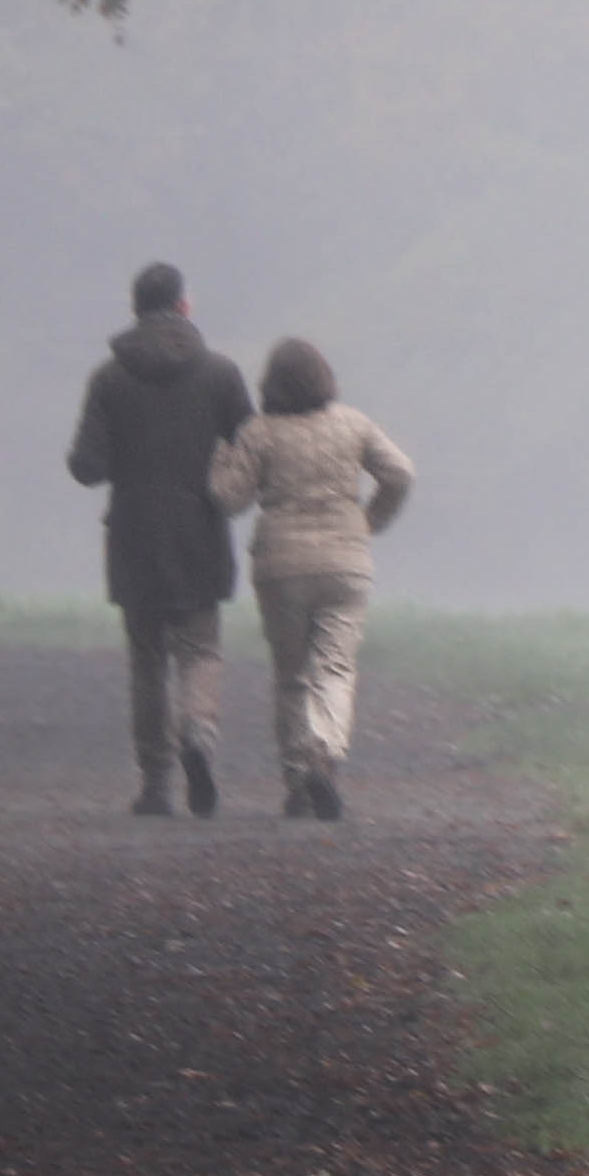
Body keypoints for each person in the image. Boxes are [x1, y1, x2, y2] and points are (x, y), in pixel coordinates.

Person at [64, 261, 250, 817]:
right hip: (200, 531)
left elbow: (87, 466)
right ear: (184, 307)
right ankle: (198, 729)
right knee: (199, 650)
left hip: (134, 536)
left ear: (135, 310)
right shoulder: (221, 375)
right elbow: (251, 449)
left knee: (146, 662)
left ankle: (155, 784)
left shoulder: (108, 378)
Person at [208, 338, 414, 821]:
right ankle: (325, 749)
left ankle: (298, 780)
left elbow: (229, 499)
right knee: (335, 668)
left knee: (291, 676)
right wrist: (371, 521)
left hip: (281, 565)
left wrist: (220, 457)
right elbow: (400, 473)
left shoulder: (260, 433)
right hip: (346, 562)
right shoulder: (353, 424)